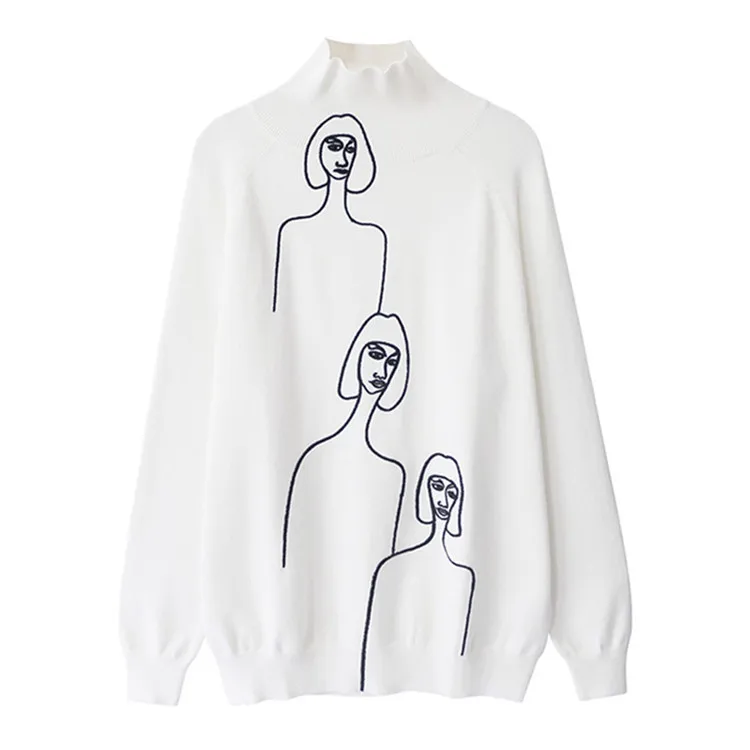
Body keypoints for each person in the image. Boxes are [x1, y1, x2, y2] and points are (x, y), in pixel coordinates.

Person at [360, 453, 476, 691]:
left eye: (452, 492)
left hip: (460, 686)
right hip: (378, 680)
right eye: (437, 486)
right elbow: (370, 645)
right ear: (425, 489)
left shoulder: (465, 577)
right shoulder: (390, 567)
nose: (444, 500)